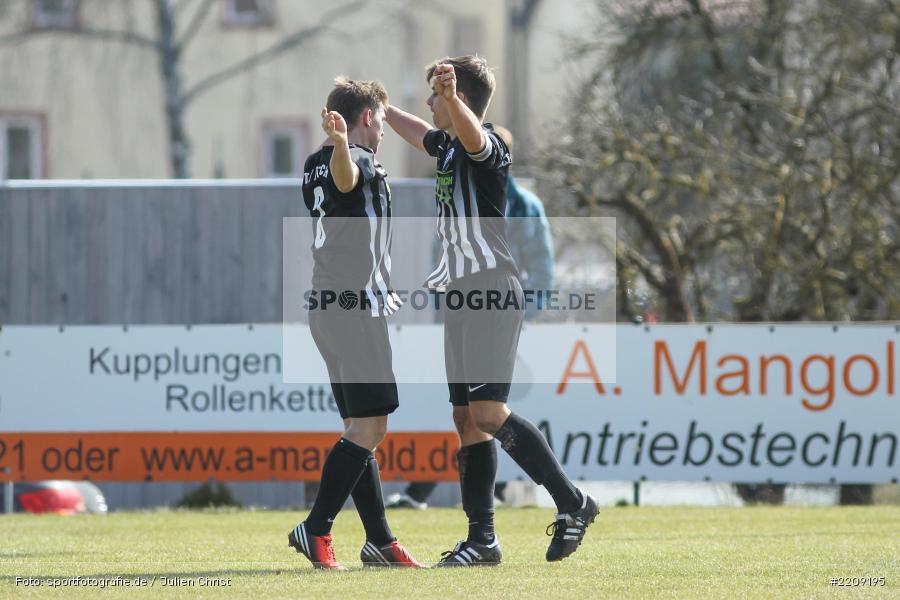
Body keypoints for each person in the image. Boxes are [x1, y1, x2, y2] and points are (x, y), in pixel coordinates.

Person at [385, 55, 598, 565]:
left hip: (491, 291)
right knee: (466, 418)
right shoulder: (449, 147)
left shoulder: (488, 148)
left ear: (460, 101)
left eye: (434, 96)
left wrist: (452, 95)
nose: (430, 104)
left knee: (487, 411)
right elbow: (417, 133)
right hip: (460, 294)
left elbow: (474, 135)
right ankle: (482, 540)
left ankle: (573, 503)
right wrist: (380, 106)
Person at [287, 77, 424, 570]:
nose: (385, 129)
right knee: (371, 426)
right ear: (367, 116)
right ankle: (316, 527)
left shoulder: (310, 164)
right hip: (354, 306)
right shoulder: (355, 157)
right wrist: (346, 143)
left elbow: (336, 186)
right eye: (383, 119)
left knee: (357, 428)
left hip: (326, 307)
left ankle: (380, 542)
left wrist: (339, 145)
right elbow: (346, 181)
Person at [386, 125, 555, 510]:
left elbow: (541, 269)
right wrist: (444, 305)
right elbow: (442, 252)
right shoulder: (460, 193)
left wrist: (522, 313)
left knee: (487, 412)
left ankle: (561, 498)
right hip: (467, 307)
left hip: (502, 310)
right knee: (469, 413)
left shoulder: (524, 205)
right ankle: (469, 509)